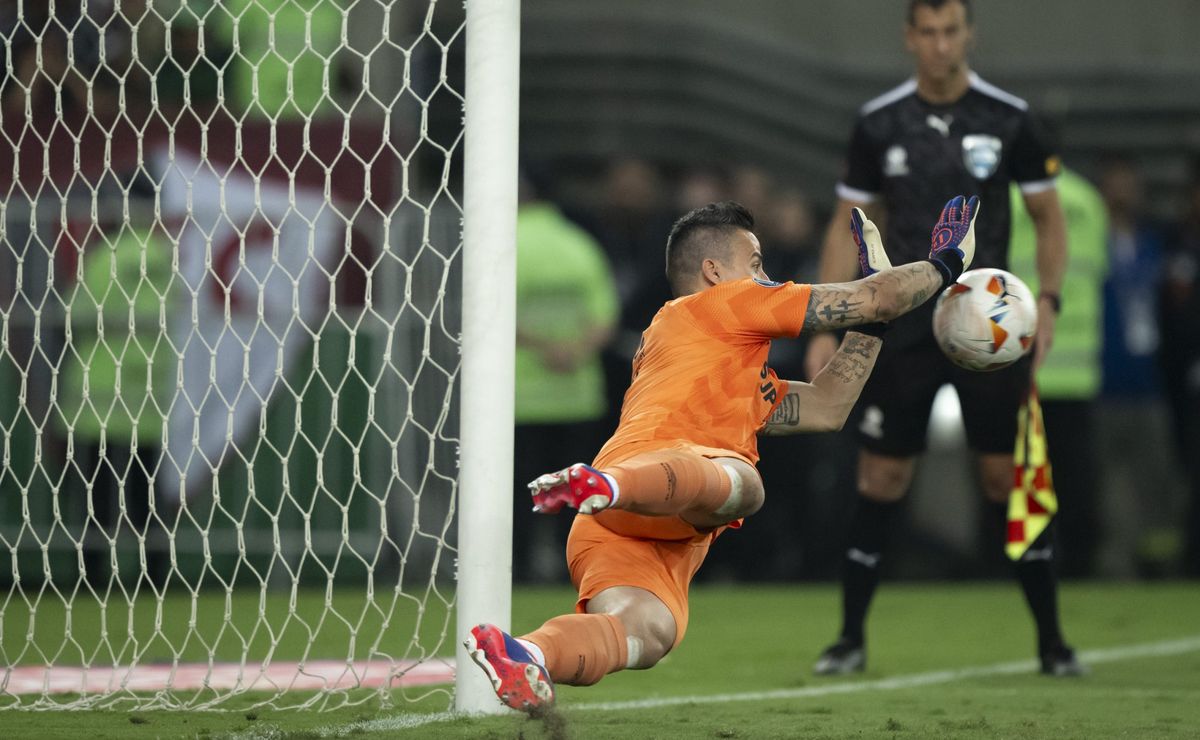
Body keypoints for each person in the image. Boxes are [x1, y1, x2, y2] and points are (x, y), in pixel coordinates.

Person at [464, 193, 982, 712]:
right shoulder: (728, 302)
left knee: (644, 634)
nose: (765, 276)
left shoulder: (708, 356)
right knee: (745, 483)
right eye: (754, 264)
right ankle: (607, 484)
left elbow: (828, 406)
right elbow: (881, 296)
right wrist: (946, 263)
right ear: (714, 271)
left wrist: (870, 324)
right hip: (651, 482)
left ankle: (526, 650)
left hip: (626, 525)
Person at [802, 0, 1080, 676]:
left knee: (1002, 479)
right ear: (909, 39)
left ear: (968, 35)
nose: (939, 44)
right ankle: (849, 640)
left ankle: (1052, 642)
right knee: (882, 474)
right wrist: (824, 321)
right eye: (926, 32)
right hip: (900, 326)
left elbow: (1048, 219)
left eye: (950, 30)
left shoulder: (1009, 117)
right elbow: (850, 219)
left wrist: (1045, 300)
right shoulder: (877, 123)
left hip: (985, 325)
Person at [511, 169, 620, 582]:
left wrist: (544, 348)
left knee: (520, 494)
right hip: (577, 394)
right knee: (574, 494)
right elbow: (606, 317)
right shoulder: (580, 245)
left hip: (520, 398)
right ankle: (571, 568)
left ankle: (516, 571)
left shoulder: (507, 243)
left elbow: (492, 310)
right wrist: (574, 351)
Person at [1008, 167, 1109, 578]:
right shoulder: (1088, 199)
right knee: (1074, 478)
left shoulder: (1008, 198)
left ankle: (1015, 563)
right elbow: (1101, 271)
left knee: (1015, 477)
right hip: (1077, 368)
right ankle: (1081, 564)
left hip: (1015, 364)